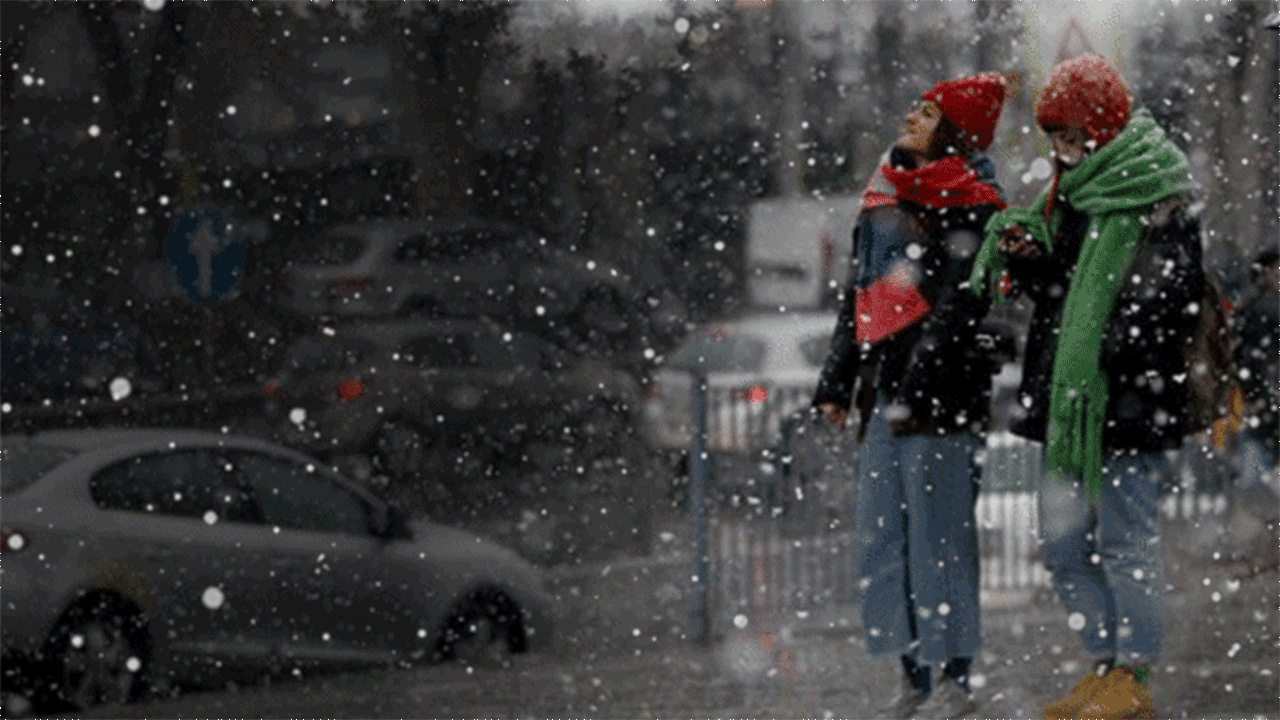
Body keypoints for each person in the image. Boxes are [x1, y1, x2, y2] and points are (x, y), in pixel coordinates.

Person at [968, 53, 1202, 720]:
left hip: (1126, 399)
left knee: (1127, 541)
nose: (1063, 151)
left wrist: (1105, 339)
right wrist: (1030, 261)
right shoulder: (1069, 195)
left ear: (1102, 126)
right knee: (1063, 544)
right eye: (1055, 138)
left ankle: (1134, 674)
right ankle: (1102, 666)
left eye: (1072, 135)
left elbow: (1169, 301)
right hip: (1067, 401)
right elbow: (1061, 294)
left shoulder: (1159, 193)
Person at [811, 71, 1008, 719]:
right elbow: (857, 298)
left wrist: (917, 378)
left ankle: (954, 678)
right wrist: (838, 381)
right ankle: (911, 676)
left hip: (942, 401)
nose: (911, 119)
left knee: (940, 541)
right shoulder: (882, 196)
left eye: (928, 114)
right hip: (883, 398)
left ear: (955, 132)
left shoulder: (976, 203)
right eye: (915, 109)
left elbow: (961, 304)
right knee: (880, 542)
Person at [1234, 249, 1279, 492]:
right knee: (1255, 481)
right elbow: (1244, 358)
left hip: (1261, 403)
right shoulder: (1255, 309)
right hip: (1261, 403)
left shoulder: (1251, 306)